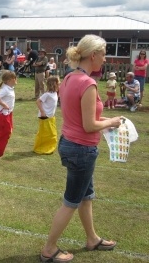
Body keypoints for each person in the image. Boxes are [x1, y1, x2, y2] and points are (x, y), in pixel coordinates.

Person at [41, 35, 121, 263]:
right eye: (104, 54)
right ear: (93, 55)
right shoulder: (88, 83)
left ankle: (92, 238)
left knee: (86, 197)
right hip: (81, 150)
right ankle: (49, 249)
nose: (105, 59)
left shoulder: (68, 78)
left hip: (70, 144)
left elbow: (82, 117)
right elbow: (89, 125)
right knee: (71, 202)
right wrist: (111, 123)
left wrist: (107, 119)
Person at [33, 76, 60, 154]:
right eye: (58, 82)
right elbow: (38, 101)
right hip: (45, 116)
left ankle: (48, 147)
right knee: (44, 134)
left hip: (51, 117)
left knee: (51, 133)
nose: (60, 83)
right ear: (54, 84)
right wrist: (42, 111)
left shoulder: (55, 93)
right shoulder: (47, 94)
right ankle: (41, 148)